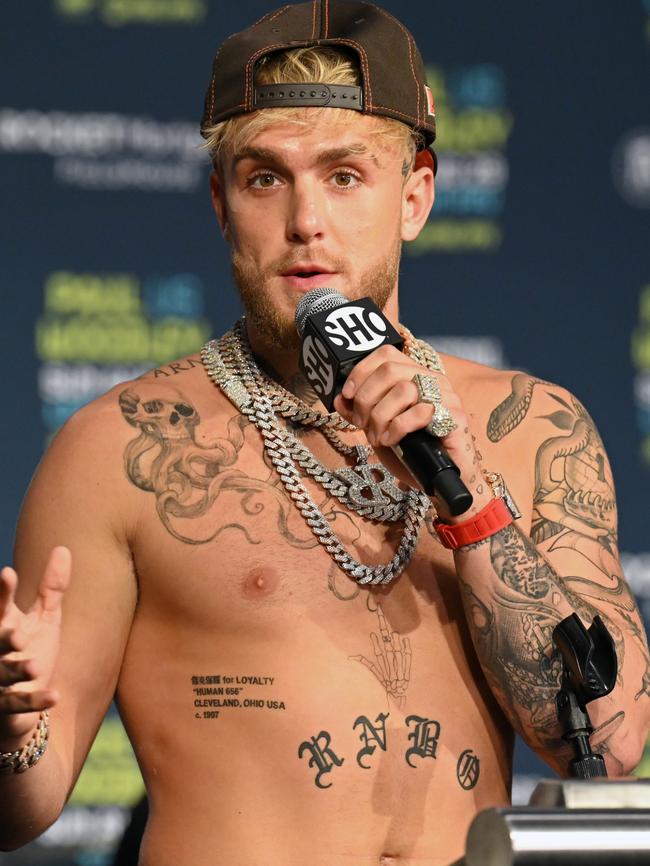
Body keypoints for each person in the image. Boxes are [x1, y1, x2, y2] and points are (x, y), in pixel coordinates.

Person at [1, 1, 649, 863]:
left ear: (415, 196)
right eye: (265, 178)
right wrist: (9, 728)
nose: (306, 219)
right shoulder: (120, 450)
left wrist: (471, 500)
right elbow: (25, 806)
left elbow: (604, 746)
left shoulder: (531, 427)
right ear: (221, 204)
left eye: (345, 176)